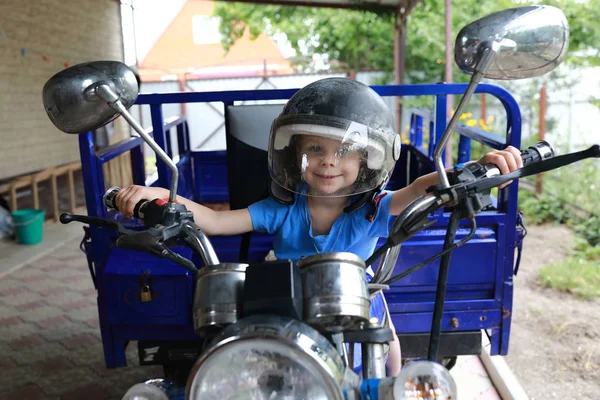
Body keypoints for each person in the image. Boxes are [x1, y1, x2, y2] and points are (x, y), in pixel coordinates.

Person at [115, 77, 523, 376]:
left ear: (367, 161)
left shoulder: (375, 208)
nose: (328, 161)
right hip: (285, 300)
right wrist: (166, 198)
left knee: (391, 359)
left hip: (355, 298)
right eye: (315, 148)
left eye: (344, 151)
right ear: (294, 156)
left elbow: (419, 187)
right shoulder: (282, 209)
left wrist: (476, 170)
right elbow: (218, 221)